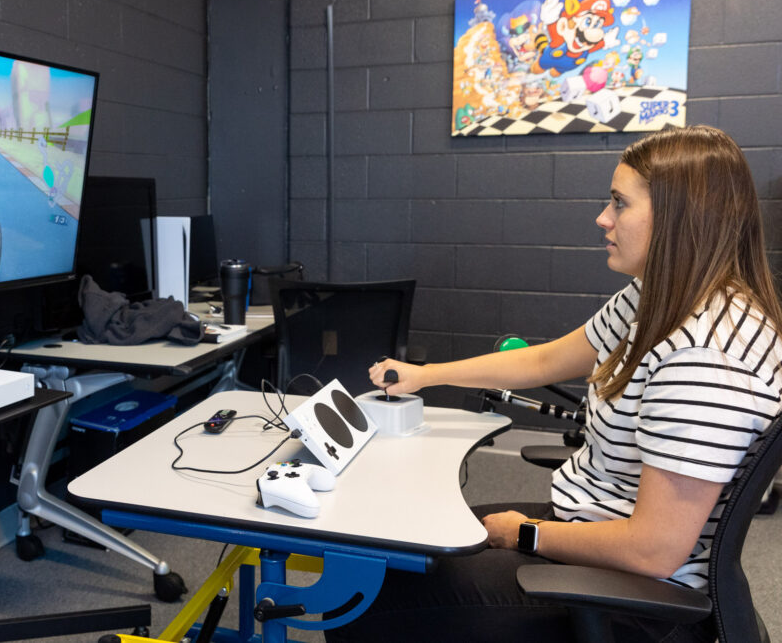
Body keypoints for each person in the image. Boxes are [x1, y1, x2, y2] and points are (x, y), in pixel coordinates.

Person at [327, 125, 782, 643]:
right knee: (406, 547)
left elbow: (654, 549)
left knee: (363, 598)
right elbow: (546, 360)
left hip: (636, 597)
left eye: (619, 204)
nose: (602, 219)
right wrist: (427, 376)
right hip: (592, 536)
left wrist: (525, 533)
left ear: (683, 219)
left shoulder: (705, 358)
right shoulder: (659, 297)